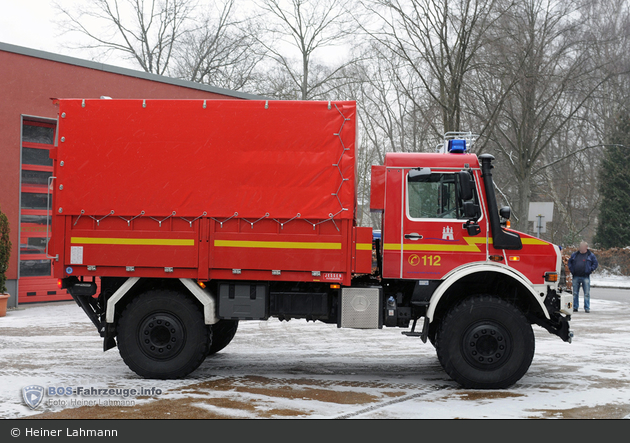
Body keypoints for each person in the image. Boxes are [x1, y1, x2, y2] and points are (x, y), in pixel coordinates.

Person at [568, 241, 598, 313]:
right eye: (580, 246)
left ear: (586, 247)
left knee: (586, 293)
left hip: (585, 277)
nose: (581, 247)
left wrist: (590, 269)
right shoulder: (575, 255)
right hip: (576, 276)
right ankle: (575, 307)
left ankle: (587, 308)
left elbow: (595, 263)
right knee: (575, 293)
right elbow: (570, 262)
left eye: (583, 246)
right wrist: (572, 270)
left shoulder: (590, 255)